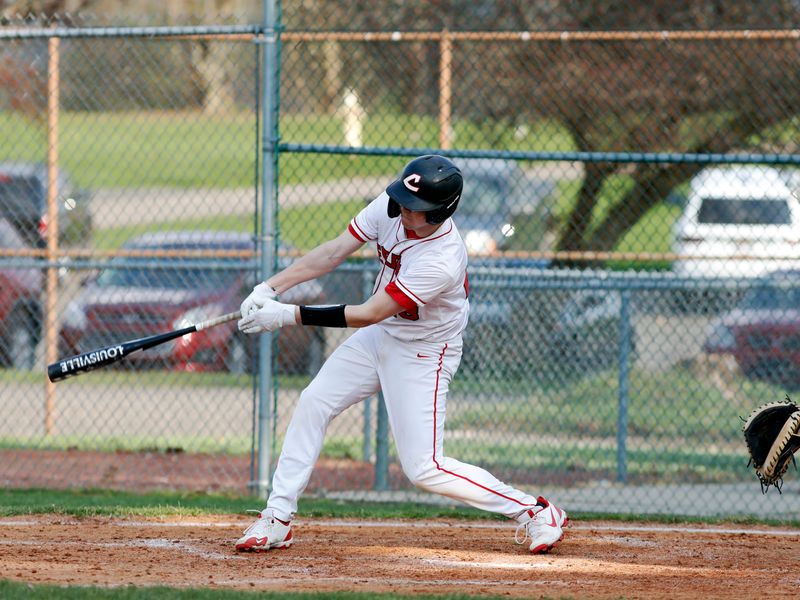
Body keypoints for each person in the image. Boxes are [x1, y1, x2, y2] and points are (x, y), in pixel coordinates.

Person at [234, 155, 568, 554]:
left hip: (424, 351)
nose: (405, 212)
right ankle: (277, 518)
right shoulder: (392, 206)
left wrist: (286, 315)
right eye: (403, 202)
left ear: (441, 213)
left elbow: (368, 312)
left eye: (417, 210)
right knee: (314, 401)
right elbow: (334, 251)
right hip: (381, 335)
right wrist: (270, 287)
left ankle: (535, 512)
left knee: (424, 468)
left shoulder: (442, 258)